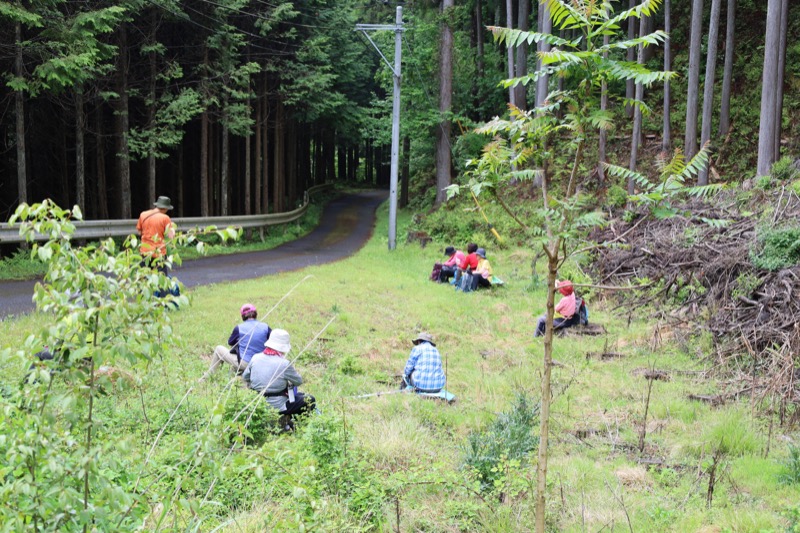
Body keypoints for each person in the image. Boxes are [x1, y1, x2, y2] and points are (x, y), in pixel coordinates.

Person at [242, 329, 315, 426]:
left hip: (257, 403)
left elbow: (245, 376)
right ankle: (291, 422)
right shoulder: (284, 364)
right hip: (278, 405)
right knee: (309, 399)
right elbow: (298, 381)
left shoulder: (255, 357)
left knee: (300, 395)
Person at [204, 303, 272, 377]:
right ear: (255, 313)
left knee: (218, 349)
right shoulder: (266, 327)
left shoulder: (239, 328)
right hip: (261, 363)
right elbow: (272, 341)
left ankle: (209, 375)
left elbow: (230, 342)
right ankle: (233, 376)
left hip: (245, 363)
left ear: (243, 316)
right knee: (236, 362)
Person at [136, 196, 175, 273]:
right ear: (166, 208)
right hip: (158, 253)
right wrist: (172, 228)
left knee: (144, 277)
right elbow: (171, 237)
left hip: (145, 252)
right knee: (161, 280)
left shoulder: (143, 214)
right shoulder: (165, 218)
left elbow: (139, 232)